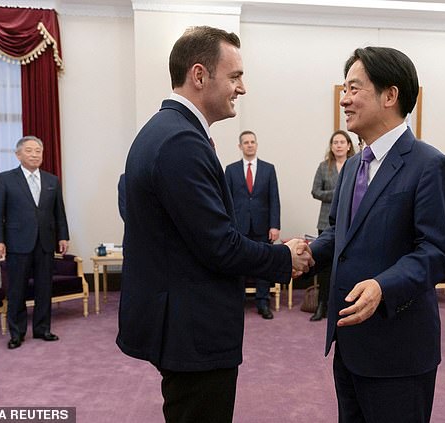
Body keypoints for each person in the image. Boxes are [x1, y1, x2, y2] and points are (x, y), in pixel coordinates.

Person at [115, 26, 312, 423]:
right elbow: (219, 245)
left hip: (183, 321)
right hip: (192, 331)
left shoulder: (165, 131)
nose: (243, 88)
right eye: (235, 76)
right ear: (200, 75)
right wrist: (282, 257)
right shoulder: (180, 142)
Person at [308, 47, 445, 422]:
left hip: (399, 351)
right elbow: (340, 234)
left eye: (354, 89)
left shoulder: (429, 165)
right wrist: (306, 253)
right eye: (344, 89)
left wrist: (382, 286)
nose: (344, 99)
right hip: (349, 345)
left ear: (390, 96)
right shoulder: (354, 164)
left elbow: (436, 252)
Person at [0, 135, 69, 349]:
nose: (34, 154)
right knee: (17, 290)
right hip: (17, 243)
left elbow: (58, 212)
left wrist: (63, 236)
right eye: (29, 150)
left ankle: (43, 329)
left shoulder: (52, 180)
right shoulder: (4, 179)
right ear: (18, 154)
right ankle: (17, 333)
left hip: (45, 242)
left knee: (44, 288)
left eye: (38, 151)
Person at [225, 130, 281, 319]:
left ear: (256, 145)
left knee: (263, 264)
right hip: (238, 227)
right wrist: (228, 226)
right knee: (238, 264)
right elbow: (227, 200)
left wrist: (274, 225)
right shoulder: (230, 170)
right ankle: (236, 302)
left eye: (252, 142)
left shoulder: (268, 169)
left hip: (262, 226)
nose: (249, 145)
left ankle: (263, 302)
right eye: (246, 142)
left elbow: (274, 199)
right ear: (240, 147)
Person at [309, 129, 355, 321]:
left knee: (349, 264)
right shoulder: (323, 167)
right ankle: (322, 305)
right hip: (326, 223)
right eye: (335, 142)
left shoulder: (356, 164)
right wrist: (338, 193)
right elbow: (315, 191)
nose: (338, 145)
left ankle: (346, 305)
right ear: (331, 146)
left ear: (348, 145)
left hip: (351, 222)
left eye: (341, 142)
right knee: (325, 267)